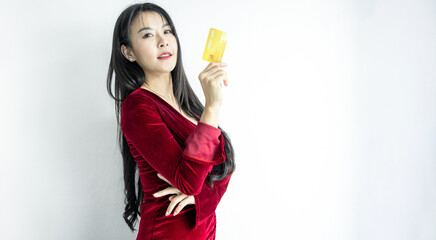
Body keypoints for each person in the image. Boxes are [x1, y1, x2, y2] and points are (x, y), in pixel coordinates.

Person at [106, 2, 236, 239]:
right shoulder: (138, 107)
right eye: (148, 35)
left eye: (167, 31)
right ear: (128, 52)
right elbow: (188, 180)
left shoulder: (189, 105)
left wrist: (201, 195)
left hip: (202, 232)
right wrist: (212, 106)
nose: (163, 41)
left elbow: (223, 168)